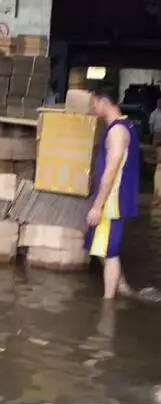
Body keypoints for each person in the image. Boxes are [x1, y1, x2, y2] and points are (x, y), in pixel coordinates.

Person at [85, 84, 139, 299]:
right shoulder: (126, 125)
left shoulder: (117, 131)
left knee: (110, 252)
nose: (92, 108)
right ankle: (121, 286)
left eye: (94, 103)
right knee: (104, 248)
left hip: (112, 201)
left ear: (104, 102)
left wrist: (98, 206)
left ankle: (109, 304)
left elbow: (111, 170)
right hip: (115, 199)